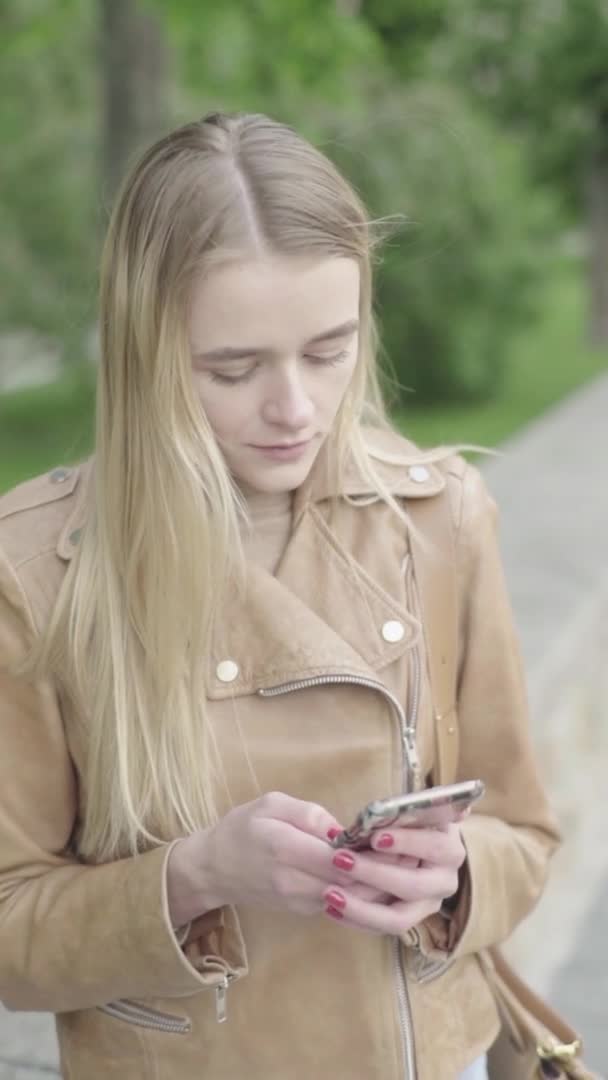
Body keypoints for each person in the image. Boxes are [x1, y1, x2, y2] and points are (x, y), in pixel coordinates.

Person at [0, 111, 560, 1080]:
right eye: (233, 367)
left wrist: (458, 870)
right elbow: (12, 931)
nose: (293, 408)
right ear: (142, 348)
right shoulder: (40, 571)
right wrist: (195, 874)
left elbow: (525, 829)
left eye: (328, 350)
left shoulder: (439, 519)